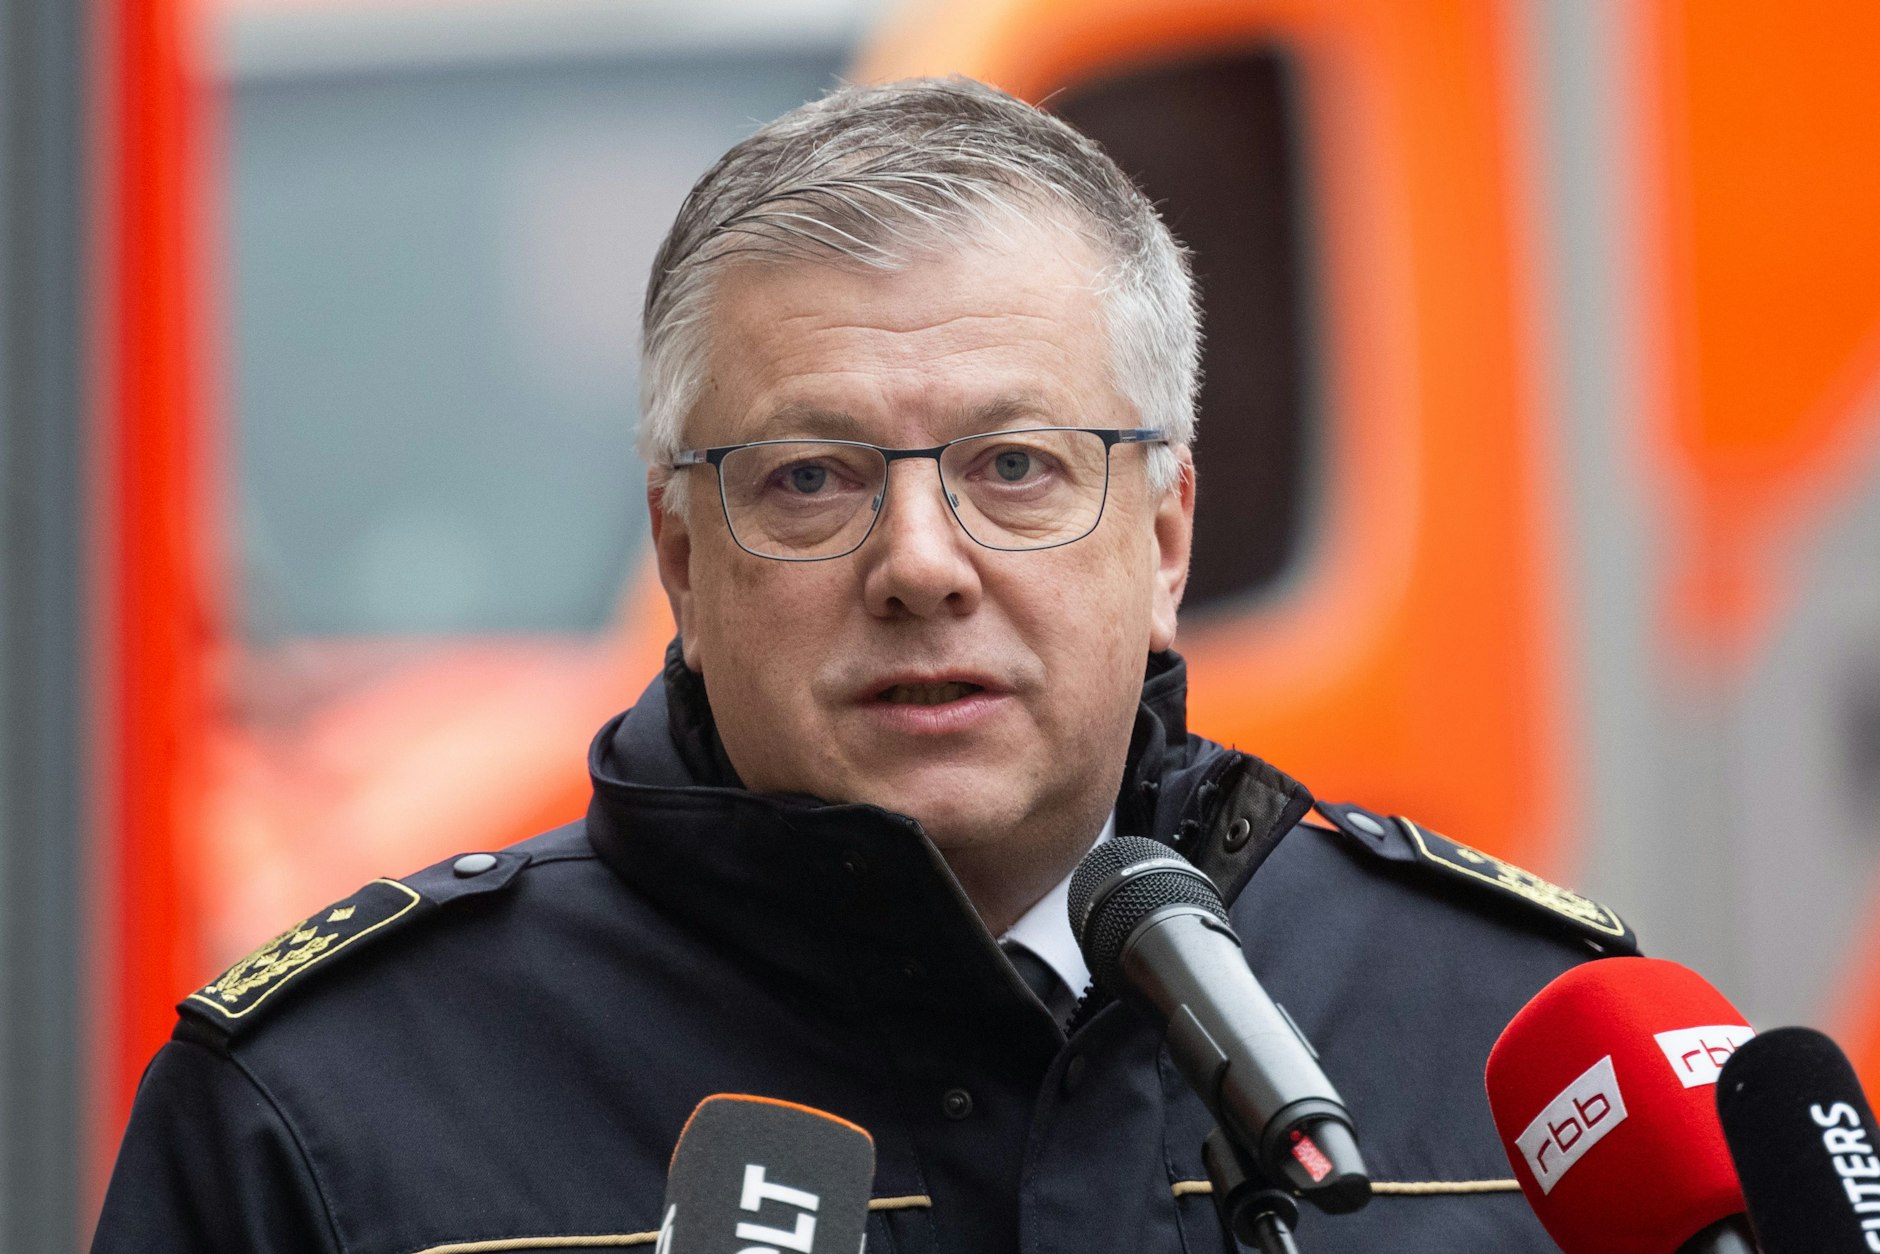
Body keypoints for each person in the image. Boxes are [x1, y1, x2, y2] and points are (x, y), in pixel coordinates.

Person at [93, 77, 1635, 1254]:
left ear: (1165, 538)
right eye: (811, 480)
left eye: (1018, 465)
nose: (919, 564)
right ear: (684, 558)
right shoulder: (328, 1115)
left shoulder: (1533, 1051)